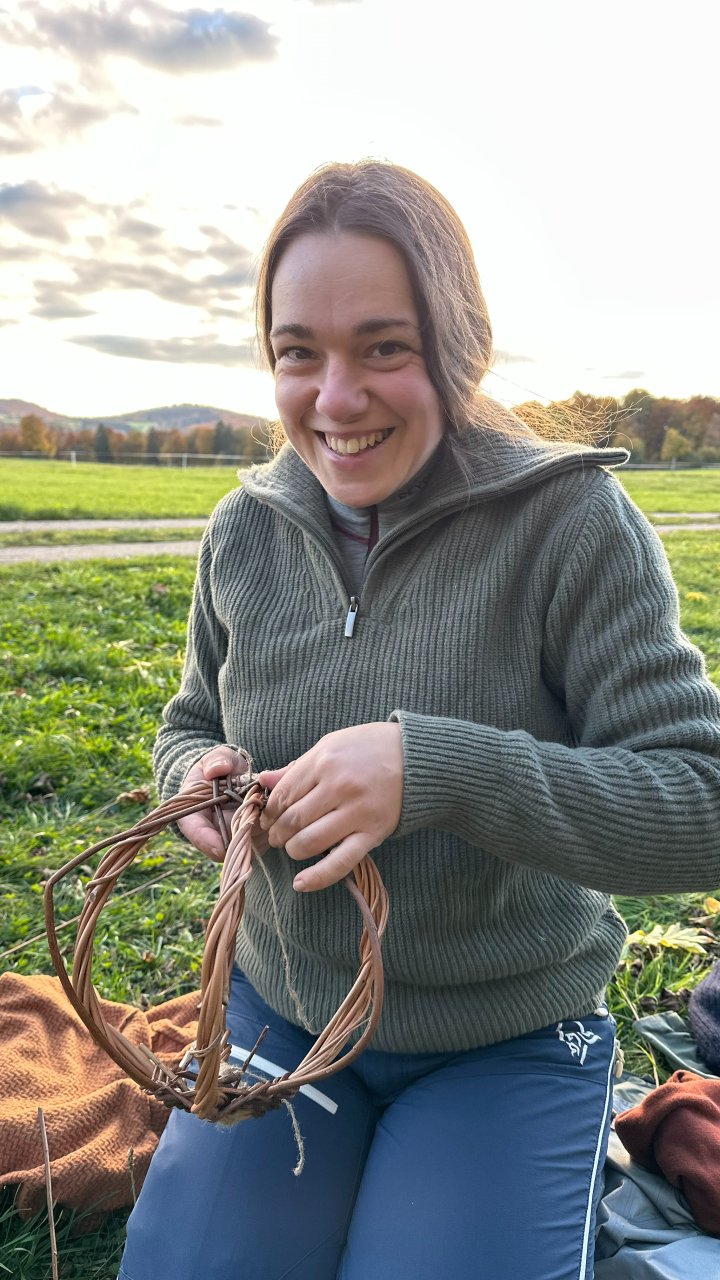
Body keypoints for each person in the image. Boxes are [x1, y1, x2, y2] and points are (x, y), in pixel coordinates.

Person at [119, 161, 720, 1280]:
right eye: (299, 351)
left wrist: (434, 768)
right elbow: (188, 718)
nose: (335, 398)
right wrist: (193, 775)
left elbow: (700, 802)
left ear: (461, 345)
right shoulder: (243, 531)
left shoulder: (571, 522)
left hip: (506, 1040)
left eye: (384, 347)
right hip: (284, 1016)